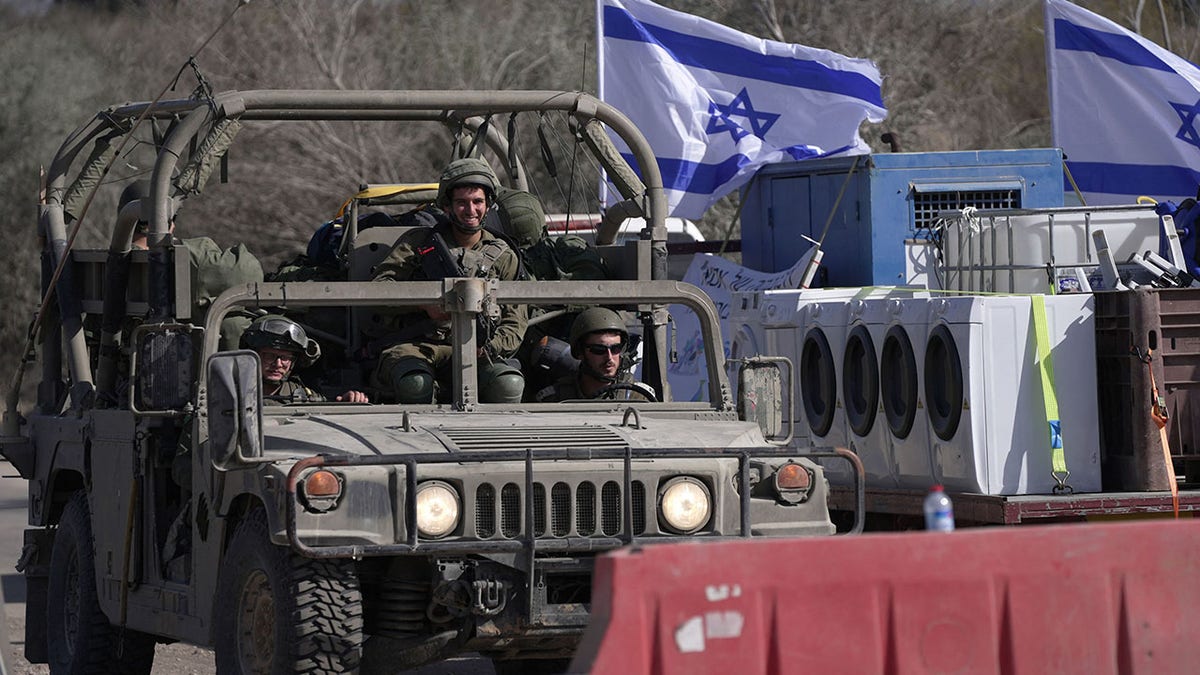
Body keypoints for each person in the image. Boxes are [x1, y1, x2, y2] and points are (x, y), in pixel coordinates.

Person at [370, 158, 527, 404]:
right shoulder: (418, 244)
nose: (471, 210)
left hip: (478, 349)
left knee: (507, 385)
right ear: (447, 207)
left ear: (488, 206)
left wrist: (489, 349)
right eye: (462, 203)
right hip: (419, 345)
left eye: (478, 202)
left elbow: (515, 322)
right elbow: (378, 290)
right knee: (415, 384)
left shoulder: (504, 255)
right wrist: (423, 305)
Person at [240, 315, 368, 404]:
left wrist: (347, 401)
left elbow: (327, 409)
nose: (278, 364)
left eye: (286, 357)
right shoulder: (232, 393)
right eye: (270, 356)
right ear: (252, 356)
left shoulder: (302, 395)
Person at [535, 307, 655, 402]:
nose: (609, 357)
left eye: (615, 348)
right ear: (580, 352)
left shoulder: (639, 398)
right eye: (599, 350)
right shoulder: (555, 399)